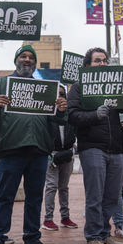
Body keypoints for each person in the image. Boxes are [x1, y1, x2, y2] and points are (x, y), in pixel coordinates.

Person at [0, 45, 67, 244]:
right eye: (23, 56)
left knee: (35, 197)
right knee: (5, 196)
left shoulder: (45, 88)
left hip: (38, 150)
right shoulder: (1, 83)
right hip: (11, 149)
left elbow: (58, 119)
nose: (27, 60)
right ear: (16, 60)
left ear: (34, 63)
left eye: (31, 57)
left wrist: (61, 109)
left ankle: (32, 239)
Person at [68, 48, 123, 244]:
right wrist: (95, 115)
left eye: (105, 60)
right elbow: (72, 115)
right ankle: (93, 236)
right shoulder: (79, 88)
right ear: (88, 65)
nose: (102, 64)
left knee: (113, 196)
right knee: (95, 196)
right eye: (97, 61)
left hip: (118, 148)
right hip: (93, 146)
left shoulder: (114, 86)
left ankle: (105, 233)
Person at [42, 84, 78, 231]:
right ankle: (48, 219)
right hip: (52, 155)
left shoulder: (69, 114)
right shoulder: (47, 113)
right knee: (51, 187)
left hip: (67, 154)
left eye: (62, 94)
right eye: (57, 94)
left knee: (64, 187)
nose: (60, 97)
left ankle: (65, 217)